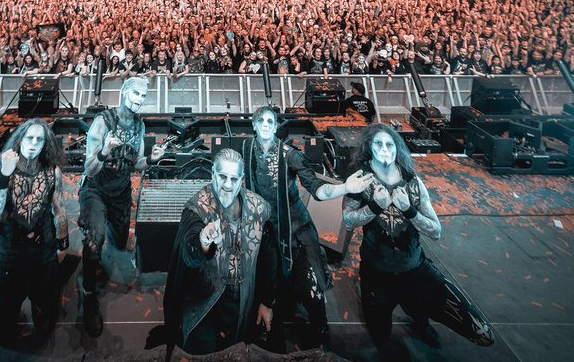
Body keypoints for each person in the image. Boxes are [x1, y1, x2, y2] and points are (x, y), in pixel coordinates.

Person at [342, 123, 494, 349]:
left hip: (414, 268)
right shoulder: (360, 181)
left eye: (389, 144)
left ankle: (420, 320)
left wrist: (409, 211)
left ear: (397, 148)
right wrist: (374, 206)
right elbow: (348, 221)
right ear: (369, 147)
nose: (384, 149)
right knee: (381, 337)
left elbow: (436, 231)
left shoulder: (413, 182)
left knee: (482, 333)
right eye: (378, 143)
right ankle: (406, 313)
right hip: (377, 272)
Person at [241, 105, 374, 350]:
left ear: (276, 126)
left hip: (295, 228)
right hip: (265, 228)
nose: (266, 126)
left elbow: (317, 190)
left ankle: (321, 332)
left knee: (310, 288)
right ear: (254, 126)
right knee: (266, 286)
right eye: (261, 121)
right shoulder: (247, 148)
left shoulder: (289, 156)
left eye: (270, 121)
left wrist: (345, 188)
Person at [163, 148, 277, 355]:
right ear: (213, 174)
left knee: (239, 350)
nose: (227, 185)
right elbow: (188, 254)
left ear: (242, 179)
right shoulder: (197, 208)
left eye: (234, 179)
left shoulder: (258, 208)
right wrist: (203, 240)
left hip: (243, 301)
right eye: (222, 176)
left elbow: (269, 257)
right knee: (204, 351)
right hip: (205, 302)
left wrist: (266, 301)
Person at [77, 76, 165, 336]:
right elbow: (89, 169)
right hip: (95, 190)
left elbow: (136, 164)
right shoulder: (103, 121)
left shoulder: (139, 125)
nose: (139, 100)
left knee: (118, 242)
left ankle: (99, 263)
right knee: (95, 238)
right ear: (125, 92)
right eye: (136, 94)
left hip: (121, 192)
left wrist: (152, 159)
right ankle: (88, 294)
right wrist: (104, 150)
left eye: (143, 96)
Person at [0, 118, 69, 347]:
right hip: (10, 254)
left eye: (39, 140)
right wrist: (4, 175)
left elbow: (59, 208)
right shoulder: (2, 166)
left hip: (42, 251)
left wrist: (63, 241)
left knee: (46, 325)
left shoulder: (52, 171)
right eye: (29, 138)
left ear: (45, 144)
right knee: (3, 333)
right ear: (20, 140)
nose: (34, 144)